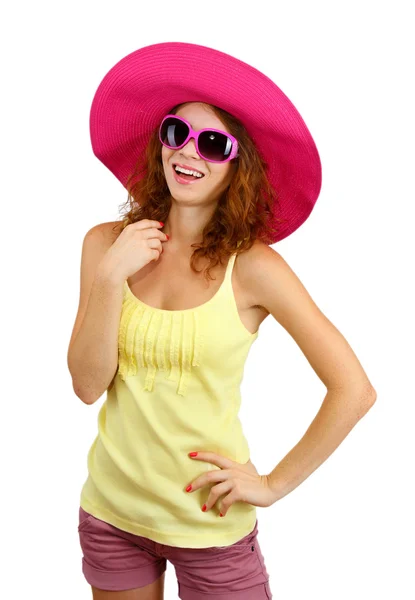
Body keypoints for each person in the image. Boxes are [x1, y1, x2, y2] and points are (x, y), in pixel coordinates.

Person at [67, 42, 377, 600]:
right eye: (175, 133)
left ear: (240, 166)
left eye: (213, 143)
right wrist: (111, 278)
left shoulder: (254, 268)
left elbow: (353, 390)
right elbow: (88, 386)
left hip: (210, 524)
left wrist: (273, 484)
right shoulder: (105, 246)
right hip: (112, 515)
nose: (189, 153)